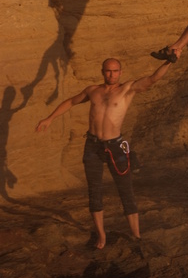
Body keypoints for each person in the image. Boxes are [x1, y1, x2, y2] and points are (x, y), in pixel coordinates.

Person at [35, 57, 172, 249]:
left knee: (126, 191)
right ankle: (101, 236)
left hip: (116, 146)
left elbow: (153, 78)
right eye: (108, 71)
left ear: (120, 72)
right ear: (102, 72)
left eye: (115, 71)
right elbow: (71, 101)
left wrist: (168, 61)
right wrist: (50, 118)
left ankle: (136, 236)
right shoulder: (93, 91)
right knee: (95, 192)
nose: (112, 74)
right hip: (92, 146)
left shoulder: (127, 89)